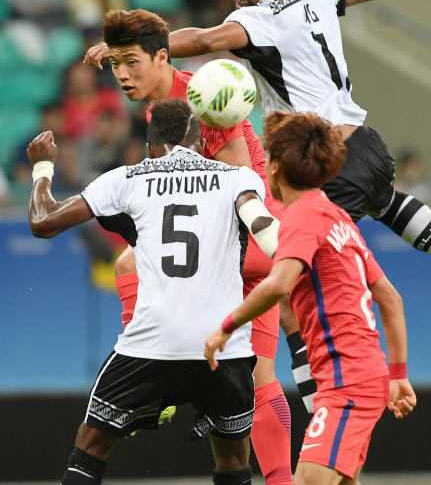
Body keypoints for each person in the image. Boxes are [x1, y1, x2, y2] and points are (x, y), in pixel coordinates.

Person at [83, 0, 431, 412]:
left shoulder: (258, 21)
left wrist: (135, 50)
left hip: (319, 162)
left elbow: (200, 41)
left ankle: (323, 396)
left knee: (292, 282)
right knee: (387, 205)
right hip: (368, 147)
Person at [27, 98, 279, 485]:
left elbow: (43, 222)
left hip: (151, 344)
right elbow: (261, 225)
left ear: (150, 147)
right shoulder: (238, 178)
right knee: (232, 460)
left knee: (90, 448)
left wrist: (43, 167)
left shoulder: (127, 178)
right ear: (199, 140)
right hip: (224, 345)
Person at [89, 8, 293, 485]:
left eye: (131, 63)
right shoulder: (163, 103)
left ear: (162, 58)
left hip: (249, 242)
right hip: (240, 238)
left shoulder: (202, 96)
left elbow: (242, 184)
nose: (121, 74)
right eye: (116, 63)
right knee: (258, 381)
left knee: (257, 381)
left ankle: (152, 387)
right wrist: (120, 50)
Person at [205, 110, 416, 485]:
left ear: (273, 168)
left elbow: (279, 284)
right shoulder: (339, 218)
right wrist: (397, 376)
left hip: (346, 385)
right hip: (366, 375)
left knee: (306, 481)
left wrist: (225, 327)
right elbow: (391, 299)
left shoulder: (301, 217)